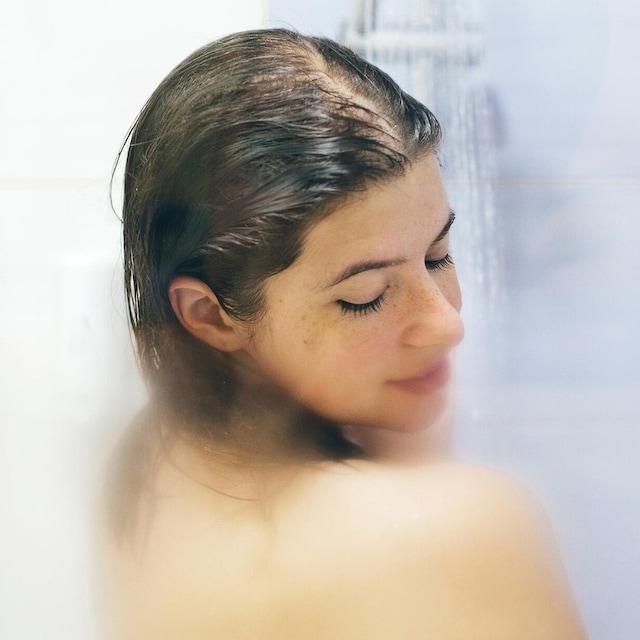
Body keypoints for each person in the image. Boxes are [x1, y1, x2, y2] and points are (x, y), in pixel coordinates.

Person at [103, 28, 585, 639]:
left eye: (438, 256)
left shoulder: (147, 471)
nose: (447, 324)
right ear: (210, 315)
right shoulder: (465, 531)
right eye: (366, 296)